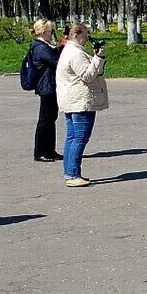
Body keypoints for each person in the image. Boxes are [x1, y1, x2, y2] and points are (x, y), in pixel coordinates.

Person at [56, 22, 108, 187]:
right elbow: (87, 76)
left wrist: (96, 59)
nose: (87, 39)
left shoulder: (69, 50)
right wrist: (98, 58)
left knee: (72, 137)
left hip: (71, 100)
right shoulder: (76, 54)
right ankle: (73, 175)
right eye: (84, 36)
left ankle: (70, 172)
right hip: (81, 101)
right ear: (76, 35)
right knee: (80, 137)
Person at [27, 19, 62, 162]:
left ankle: (49, 150)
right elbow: (56, 62)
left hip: (49, 85)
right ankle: (40, 152)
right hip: (46, 86)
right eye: (50, 31)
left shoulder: (43, 46)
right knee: (45, 119)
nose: (52, 34)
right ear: (43, 32)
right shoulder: (40, 47)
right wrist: (62, 49)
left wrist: (60, 47)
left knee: (51, 118)